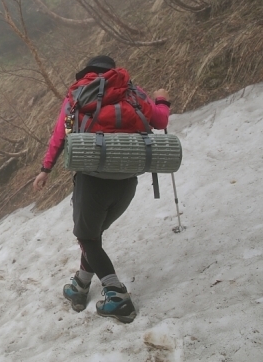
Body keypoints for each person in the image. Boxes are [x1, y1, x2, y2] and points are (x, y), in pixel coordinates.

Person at [32, 55, 170, 323]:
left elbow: (60, 135)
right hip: (128, 181)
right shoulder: (134, 93)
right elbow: (161, 121)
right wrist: (162, 99)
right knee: (92, 235)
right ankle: (80, 286)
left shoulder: (78, 96)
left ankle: (117, 295)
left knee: (87, 237)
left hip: (93, 182)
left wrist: (45, 169)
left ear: (87, 72)